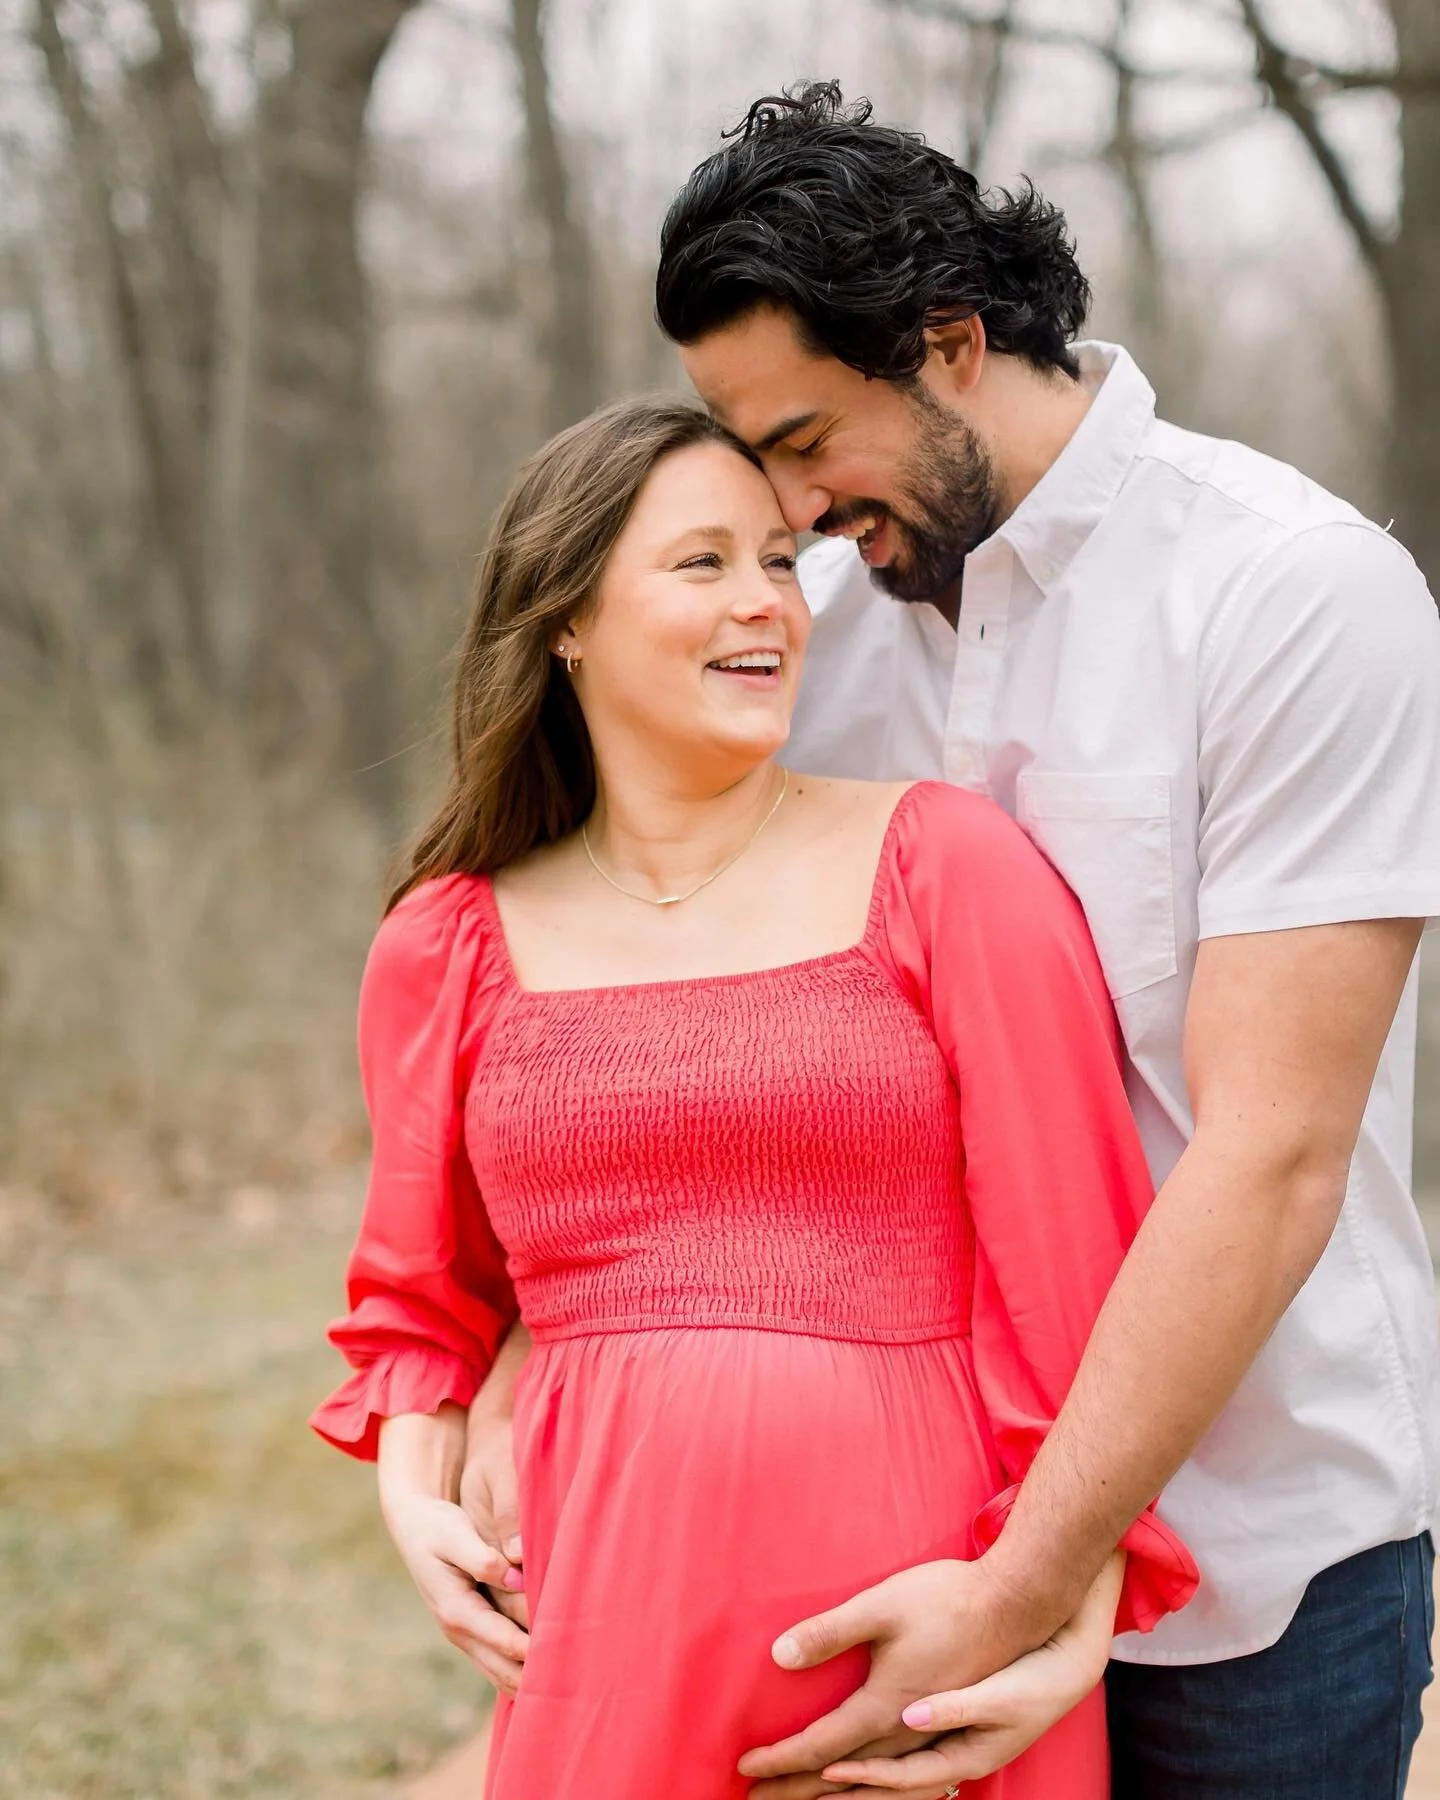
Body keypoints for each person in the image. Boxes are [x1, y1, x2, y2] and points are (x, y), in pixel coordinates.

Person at [455, 83, 1440, 1799]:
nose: (789, 503)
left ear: (952, 343)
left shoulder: (1294, 595)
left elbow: (1271, 1156)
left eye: (808, 436)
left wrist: (1037, 1572)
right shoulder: (807, 636)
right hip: (894, 1552)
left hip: (1251, 1562)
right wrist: (522, 1353)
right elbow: (645, 998)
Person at [310, 396, 1201, 1798]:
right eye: (703, 563)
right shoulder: (448, 943)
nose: (769, 606)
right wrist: (414, 1507)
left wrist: (1052, 1610)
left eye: (782, 562)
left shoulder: (947, 866)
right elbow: (424, 1303)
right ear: (565, 620)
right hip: (608, 1643)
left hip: (919, 1641)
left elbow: (1082, 1294)